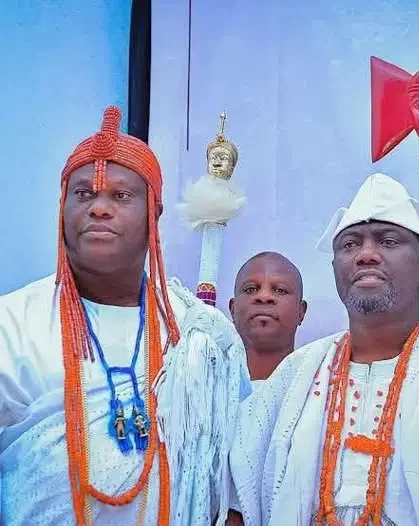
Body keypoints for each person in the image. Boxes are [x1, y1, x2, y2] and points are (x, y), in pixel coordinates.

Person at [229, 173, 419, 525]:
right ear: (335, 267)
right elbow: (240, 506)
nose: (366, 255)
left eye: (388, 241)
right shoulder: (291, 379)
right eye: (350, 244)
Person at [0, 106, 250, 525]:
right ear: (62, 208)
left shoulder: (203, 335)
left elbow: (233, 488)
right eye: (83, 194)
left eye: (120, 196)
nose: (99, 208)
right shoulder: (12, 325)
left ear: (154, 213)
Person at [229, 252, 307, 381]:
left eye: (280, 290)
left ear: (301, 311)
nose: (264, 296)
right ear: (233, 309)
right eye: (250, 289)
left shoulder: (322, 385)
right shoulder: (204, 384)